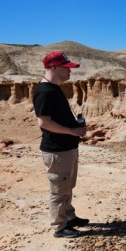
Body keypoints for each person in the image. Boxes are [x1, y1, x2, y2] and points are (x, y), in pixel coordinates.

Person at [33, 51, 88, 238]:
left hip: (67, 149)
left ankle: (69, 217)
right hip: (57, 151)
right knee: (58, 190)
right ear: (54, 68)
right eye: (67, 68)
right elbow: (44, 122)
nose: (70, 72)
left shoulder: (54, 88)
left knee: (67, 187)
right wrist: (72, 131)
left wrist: (75, 128)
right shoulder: (45, 91)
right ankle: (60, 226)